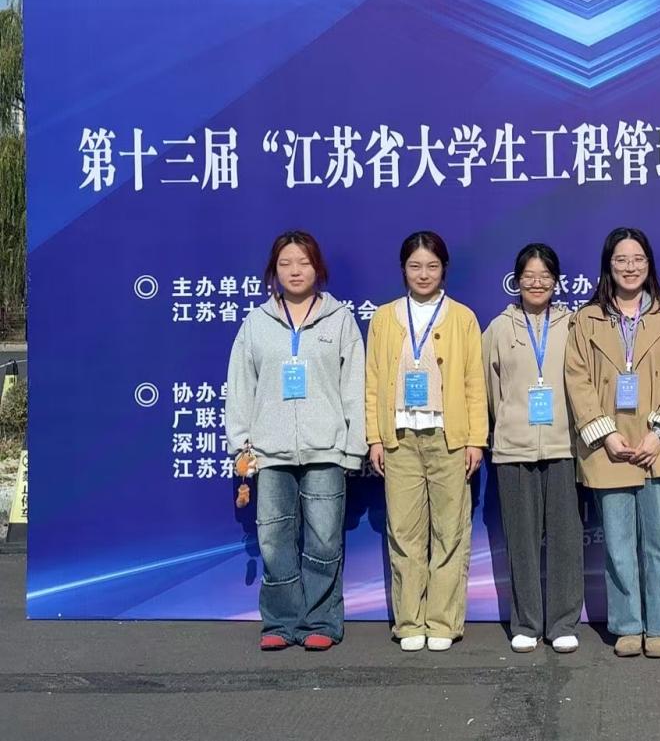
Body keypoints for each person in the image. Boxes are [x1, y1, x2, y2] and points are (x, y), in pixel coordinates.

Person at [564, 227, 660, 659]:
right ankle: (626, 625)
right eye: (621, 259)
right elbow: (577, 381)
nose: (630, 267)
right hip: (610, 447)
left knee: (658, 541)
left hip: (658, 446)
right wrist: (605, 434)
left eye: (638, 259)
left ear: (649, 264)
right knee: (619, 544)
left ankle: (659, 625)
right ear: (608, 265)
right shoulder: (586, 319)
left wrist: (658, 434)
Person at [225, 230, 366, 651]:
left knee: (324, 539)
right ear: (273, 271)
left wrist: (353, 447)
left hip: (326, 449)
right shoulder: (256, 323)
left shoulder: (340, 320)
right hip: (269, 452)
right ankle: (281, 621)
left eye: (303, 262)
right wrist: (242, 445)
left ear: (317, 268)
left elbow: (354, 387)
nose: (295, 271)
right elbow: (240, 387)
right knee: (273, 539)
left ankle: (321, 620)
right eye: (285, 263)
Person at [364, 231, 488, 652]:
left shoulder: (462, 318)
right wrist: (375, 437)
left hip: (448, 438)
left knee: (450, 532)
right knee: (404, 533)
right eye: (415, 266)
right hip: (398, 439)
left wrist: (475, 439)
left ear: (444, 269)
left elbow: (474, 383)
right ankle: (409, 621)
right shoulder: (384, 318)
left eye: (432, 266)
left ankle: (442, 622)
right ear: (403, 269)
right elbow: (373, 382)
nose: (423, 274)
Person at [483, 243, 584, 654]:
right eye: (529, 276)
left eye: (545, 276)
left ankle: (562, 622)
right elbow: (491, 390)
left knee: (565, 539)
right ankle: (525, 622)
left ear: (556, 281)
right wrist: (509, 423)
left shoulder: (573, 324)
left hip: (564, 446)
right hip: (514, 449)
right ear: (517, 280)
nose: (537, 283)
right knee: (521, 540)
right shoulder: (498, 328)